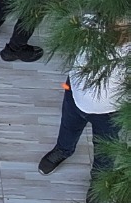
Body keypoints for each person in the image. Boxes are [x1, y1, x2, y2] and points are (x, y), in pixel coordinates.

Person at [42, 47, 124, 178]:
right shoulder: (93, 27)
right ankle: (63, 150)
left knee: (105, 147)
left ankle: (100, 178)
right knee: (68, 127)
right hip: (76, 90)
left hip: (112, 109)